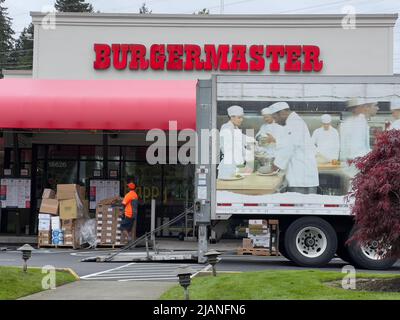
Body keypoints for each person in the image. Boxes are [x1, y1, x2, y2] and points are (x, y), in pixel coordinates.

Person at [268, 102, 319, 194]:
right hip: (302, 175)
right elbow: (288, 143)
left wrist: (276, 165)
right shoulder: (294, 122)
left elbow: (289, 147)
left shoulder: (294, 123)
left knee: (301, 206)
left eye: (275, 118)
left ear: (282, 113)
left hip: (301, 178)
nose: (275, 121)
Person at [218, 105, 253, 179]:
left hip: (236, 165)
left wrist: (255, 143)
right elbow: (231, 148)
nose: (241, 120)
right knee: (228, 188)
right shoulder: (226, 128)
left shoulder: (236, 129)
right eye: (239, 117)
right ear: (232, 117)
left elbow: (245, 140)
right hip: (228, 166)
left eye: (242, 117)